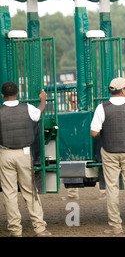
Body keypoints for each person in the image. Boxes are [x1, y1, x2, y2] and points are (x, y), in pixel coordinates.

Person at [90, 77, 125, 235]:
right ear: (122, 91)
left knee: (112, 189)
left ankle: (115, 225)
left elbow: (94, 132)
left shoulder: (102, 107)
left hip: (109, 152)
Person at [0, 81, 52, 237]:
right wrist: (43, 100)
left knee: (9, 193)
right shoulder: (27, 108)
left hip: (5, 154)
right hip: (24, 154)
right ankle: (40, 228)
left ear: (2, 96)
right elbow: (39, 112)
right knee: (30, 191)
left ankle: (15, 230)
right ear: (18, 93)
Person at [61, 92, 106, 201]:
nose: (75, 103)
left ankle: (104, 191)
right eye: (73, 101)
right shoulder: (70, 114)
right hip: (76, 144)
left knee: (99, 165)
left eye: (77, 101)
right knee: (71, 164)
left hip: (91, 142)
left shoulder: (90, 112)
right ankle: (72, 193)